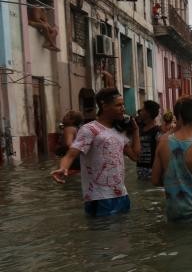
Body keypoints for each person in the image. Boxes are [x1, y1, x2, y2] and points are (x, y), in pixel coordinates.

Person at [50, 87, 140, 216]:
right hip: (99, 197)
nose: (123, 108)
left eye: (123, 105)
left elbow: (135, 157)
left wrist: (136, 131)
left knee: (123, 234)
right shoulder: (89, 130)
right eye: (118, 105)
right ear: (104, 105)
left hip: (122, 194)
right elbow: (71, 154)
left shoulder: (119, 131)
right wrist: (63, 168)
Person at [136, 100, 162, 179]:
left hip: (152, 170)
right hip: (140, 169)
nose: (140, 112)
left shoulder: (157, 131)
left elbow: (159, 153)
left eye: (143, 109)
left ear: (148, 113)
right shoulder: (139, 129)